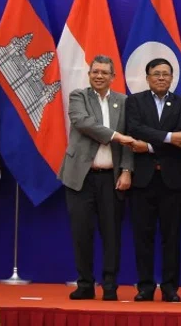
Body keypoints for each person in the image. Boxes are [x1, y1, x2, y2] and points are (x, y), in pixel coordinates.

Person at [60, 55, 135, 301]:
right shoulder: (78, 97)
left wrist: (126, 170)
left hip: (111, 178)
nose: (99, 76)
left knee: (111, 234)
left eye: (104, 72)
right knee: (82, 233)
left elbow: (129, 139)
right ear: (89, 74)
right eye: (95, 72)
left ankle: (110, 286)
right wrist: (116, 136)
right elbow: (83, 123)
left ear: (113, 77)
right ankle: (85, 284)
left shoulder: (124, 102)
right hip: (80, 177)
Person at [125, 58, 181, 302]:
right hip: (142, 179)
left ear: (172, 78)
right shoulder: (134, 101)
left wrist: (151, 146)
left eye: (166, 74)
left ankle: (170, 288)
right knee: (143, 235)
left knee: (171, 236)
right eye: (156, 74)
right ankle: (145, 287)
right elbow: (135, 129)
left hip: (173, 180)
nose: (161, 78)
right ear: (147, 77)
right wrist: (167, 139)